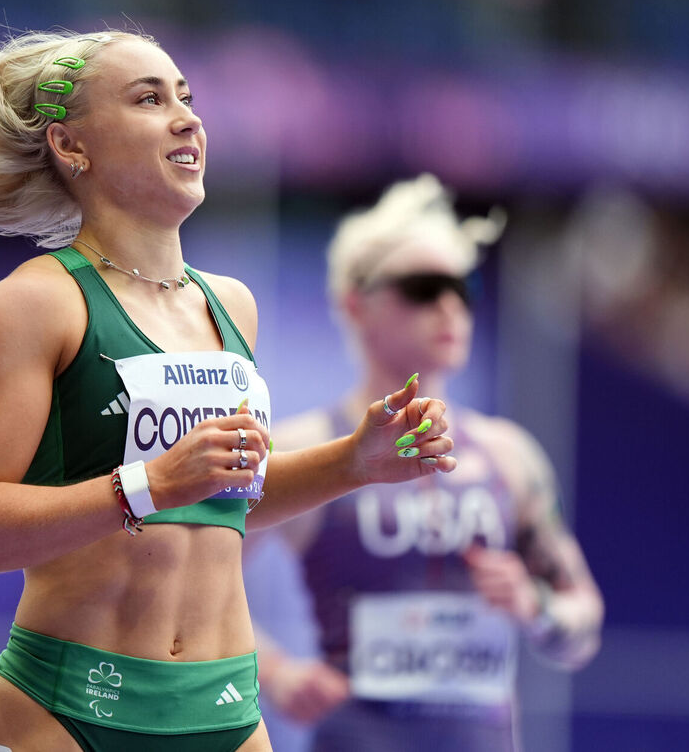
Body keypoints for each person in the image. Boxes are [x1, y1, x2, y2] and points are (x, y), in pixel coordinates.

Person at [0, 25, 456, 752]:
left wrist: (352, 462)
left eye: (186, 97)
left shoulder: (231, 307)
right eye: (149, 99)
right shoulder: (33, 306)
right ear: (72, 146)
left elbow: (224, 502)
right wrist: (146, 484)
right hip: (59, 713)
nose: (187, 117)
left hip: (224, 715)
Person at [250, 175, 604, 751]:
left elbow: (582, 618)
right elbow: (197, 582)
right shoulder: (307, 447)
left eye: (462, 288)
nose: (448, 308)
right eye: (422, 288)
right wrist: (275, 672)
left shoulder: (509, 456)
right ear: (355, 303)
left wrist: (534, 605)